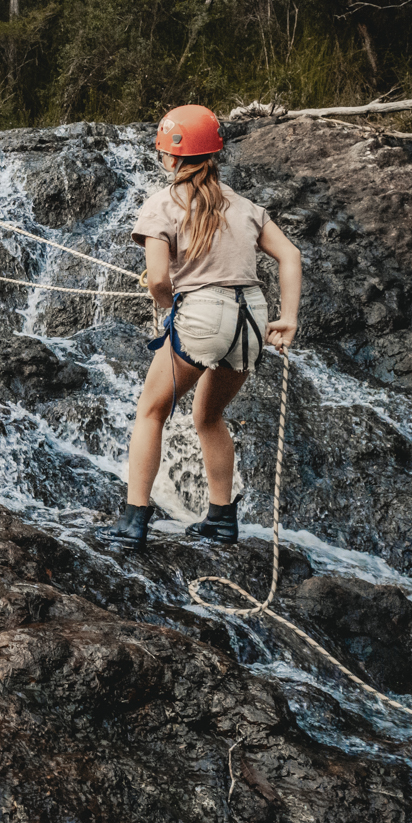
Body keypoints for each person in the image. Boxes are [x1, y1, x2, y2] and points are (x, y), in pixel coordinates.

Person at [101, 104, 303, 551]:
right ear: (214, 153)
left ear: (171, 156)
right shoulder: (246, 207)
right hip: (250, 316)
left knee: (151, 412)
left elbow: (157, 280)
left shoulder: (163, 203)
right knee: (209, 416)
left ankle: (133, 522)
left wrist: (168, 305)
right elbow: (290, 256)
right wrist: (287, 318)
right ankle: (221, 519)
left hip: (203, 315)